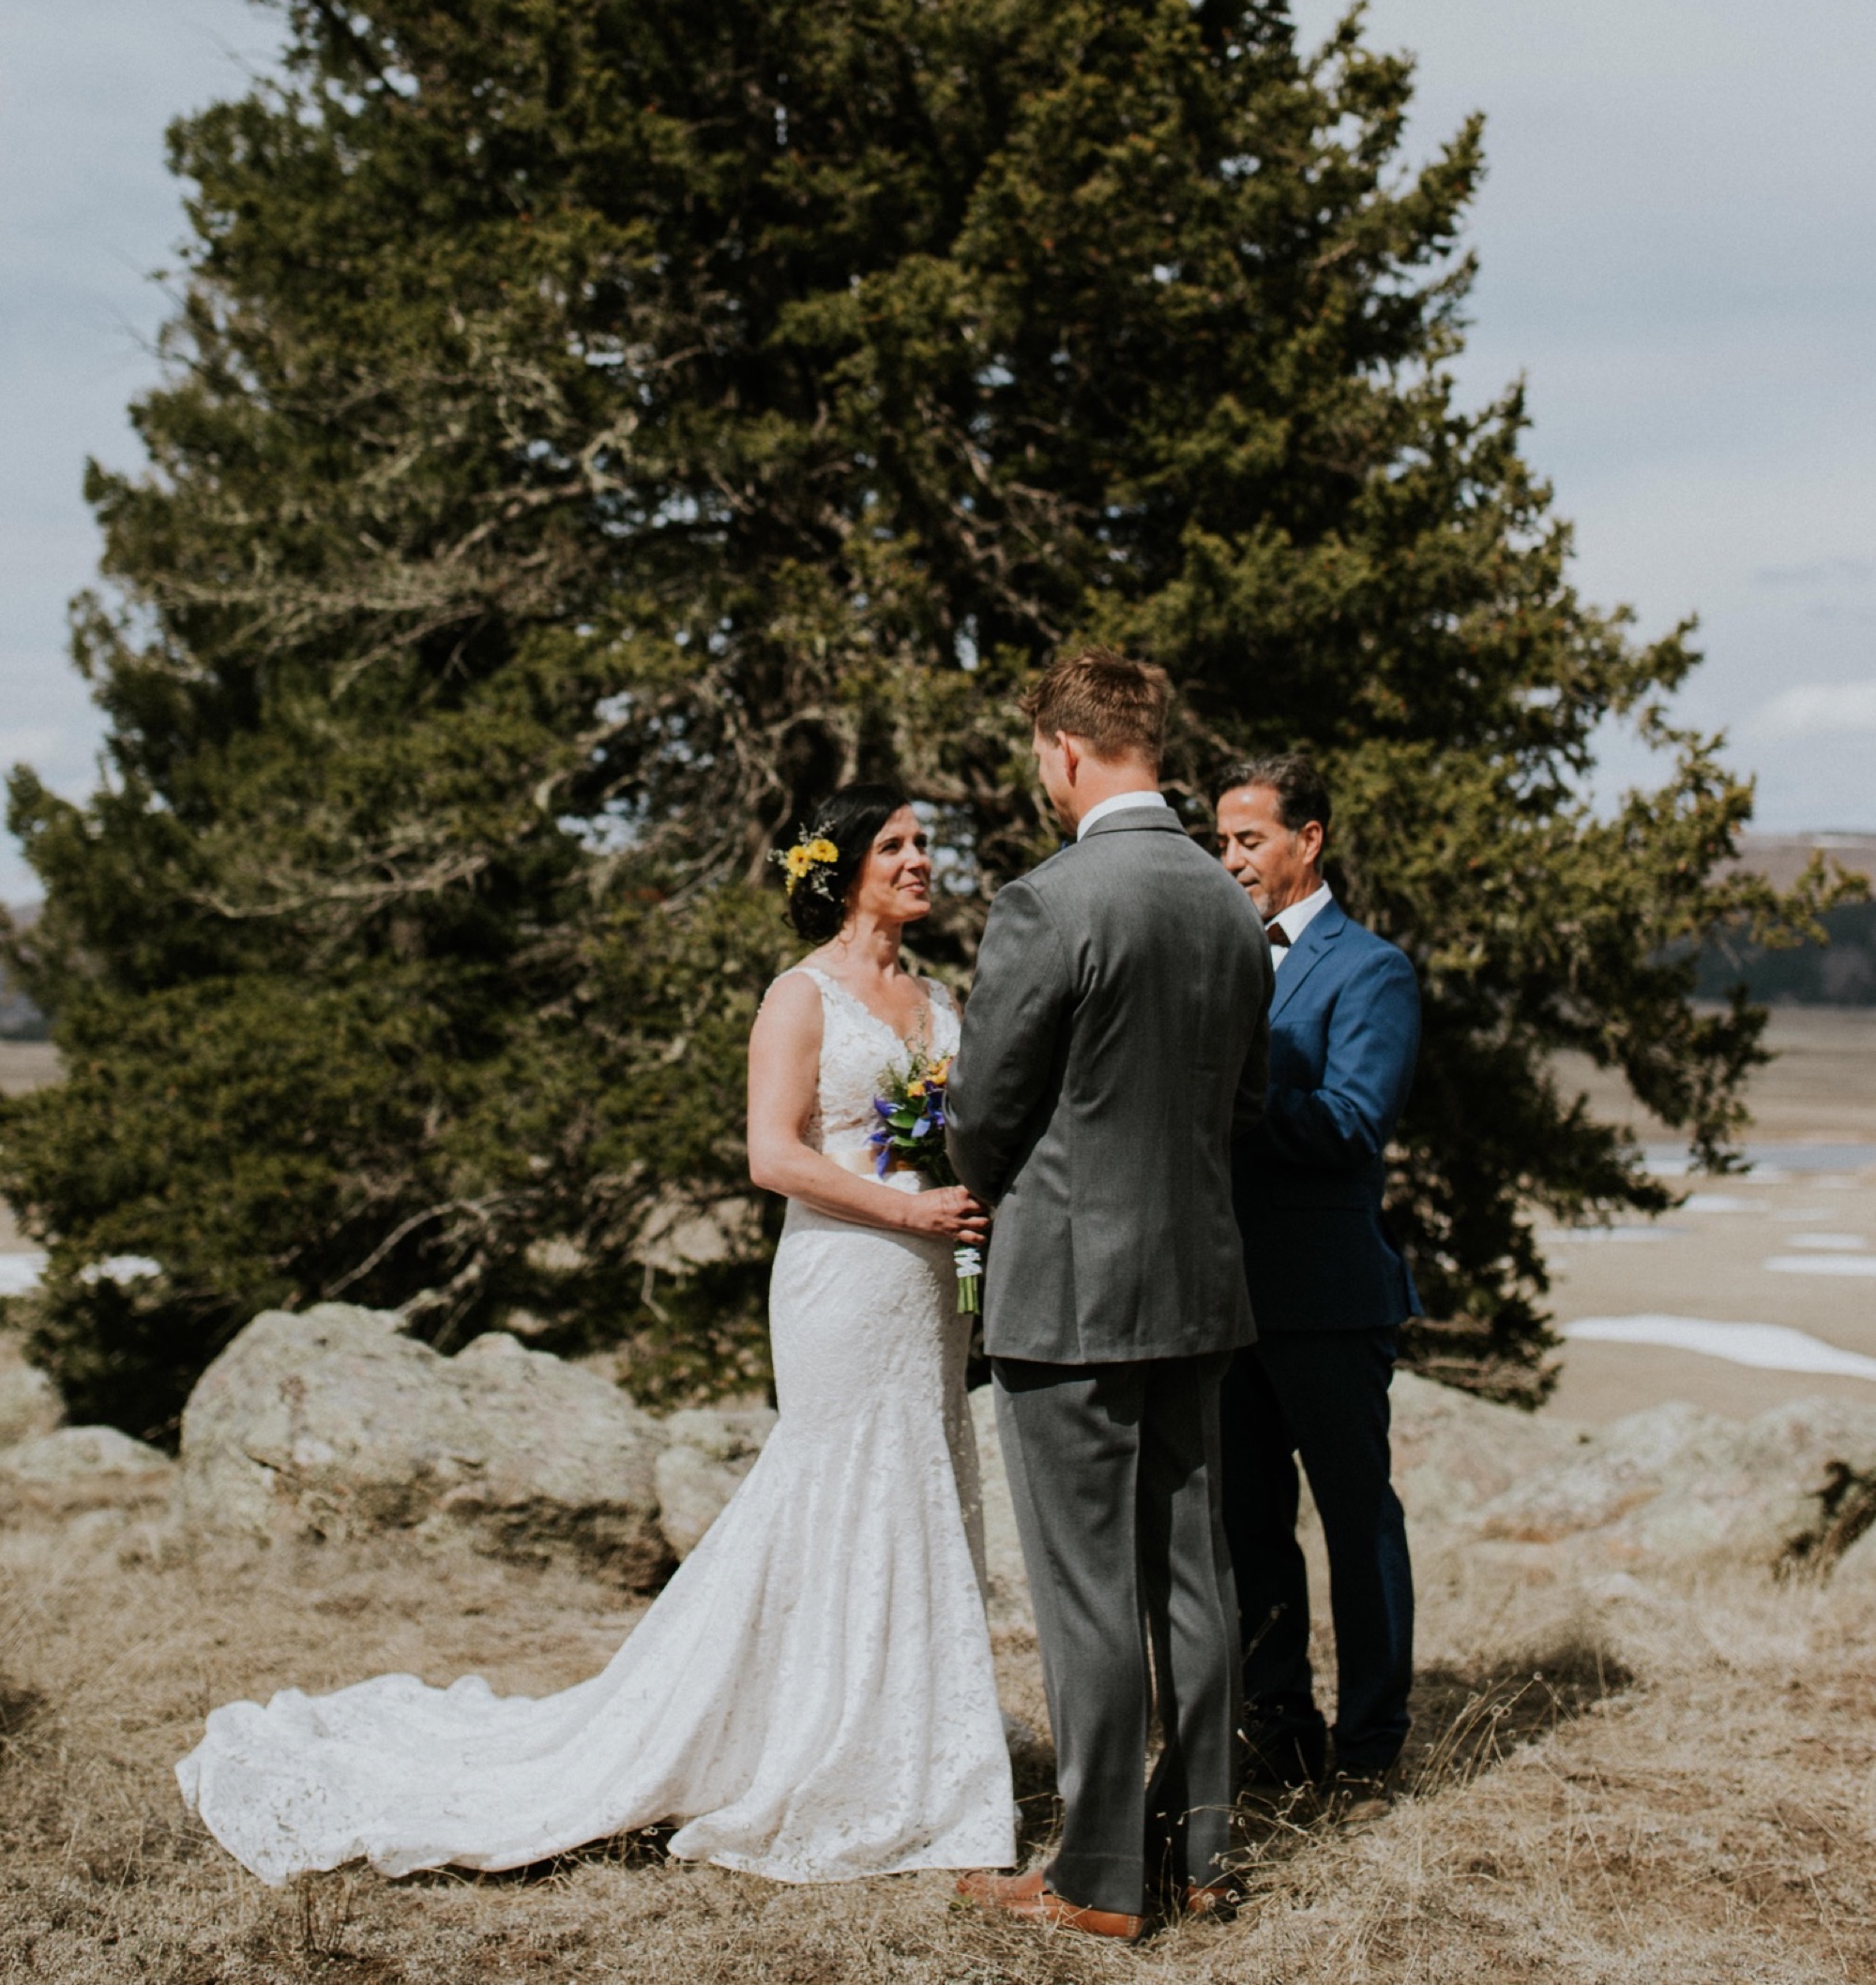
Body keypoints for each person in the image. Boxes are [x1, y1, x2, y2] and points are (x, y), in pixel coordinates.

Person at [177, 786, 1015, 1887]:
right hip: (843, 1281)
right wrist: (907, 1207)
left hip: (925, 1291)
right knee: (835, 1493)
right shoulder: (799, 995)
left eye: (922, 843)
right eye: (894, 845)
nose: (918, 859)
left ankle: (896, 1751)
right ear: (843, 865)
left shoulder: (939, 994)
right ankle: (807, 1748)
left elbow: (962, 1130)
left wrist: (961, 1201)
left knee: (915, 1489)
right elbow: (771, 1154)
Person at [946, 651, 1271, 1942]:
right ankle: (1200, 1851)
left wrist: (987, 1175)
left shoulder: (1051, 899)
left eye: (1039, 755)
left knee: (1086, 1588)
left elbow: (982, 1114)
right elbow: (1244, 1106)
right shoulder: (1230, 905)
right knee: (1194, 1575)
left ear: (1070, 752)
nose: (1040, 775)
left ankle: (1092, 1874)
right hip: (1200, 1288)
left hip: (1071, 1295)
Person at [1214, 754, 1420, 1796]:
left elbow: (1349, 1124)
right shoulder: (1213, 957)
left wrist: (1225, 1098)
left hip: (1330, 1300)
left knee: (1354, 1517)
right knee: (1248, 1524)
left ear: (1309, 839)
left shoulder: (1368, 967)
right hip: (1226, 1298)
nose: (1231, 857)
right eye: (1222, 840)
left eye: (1249, 837)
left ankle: (1374, 1741)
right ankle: (1276, 1725)